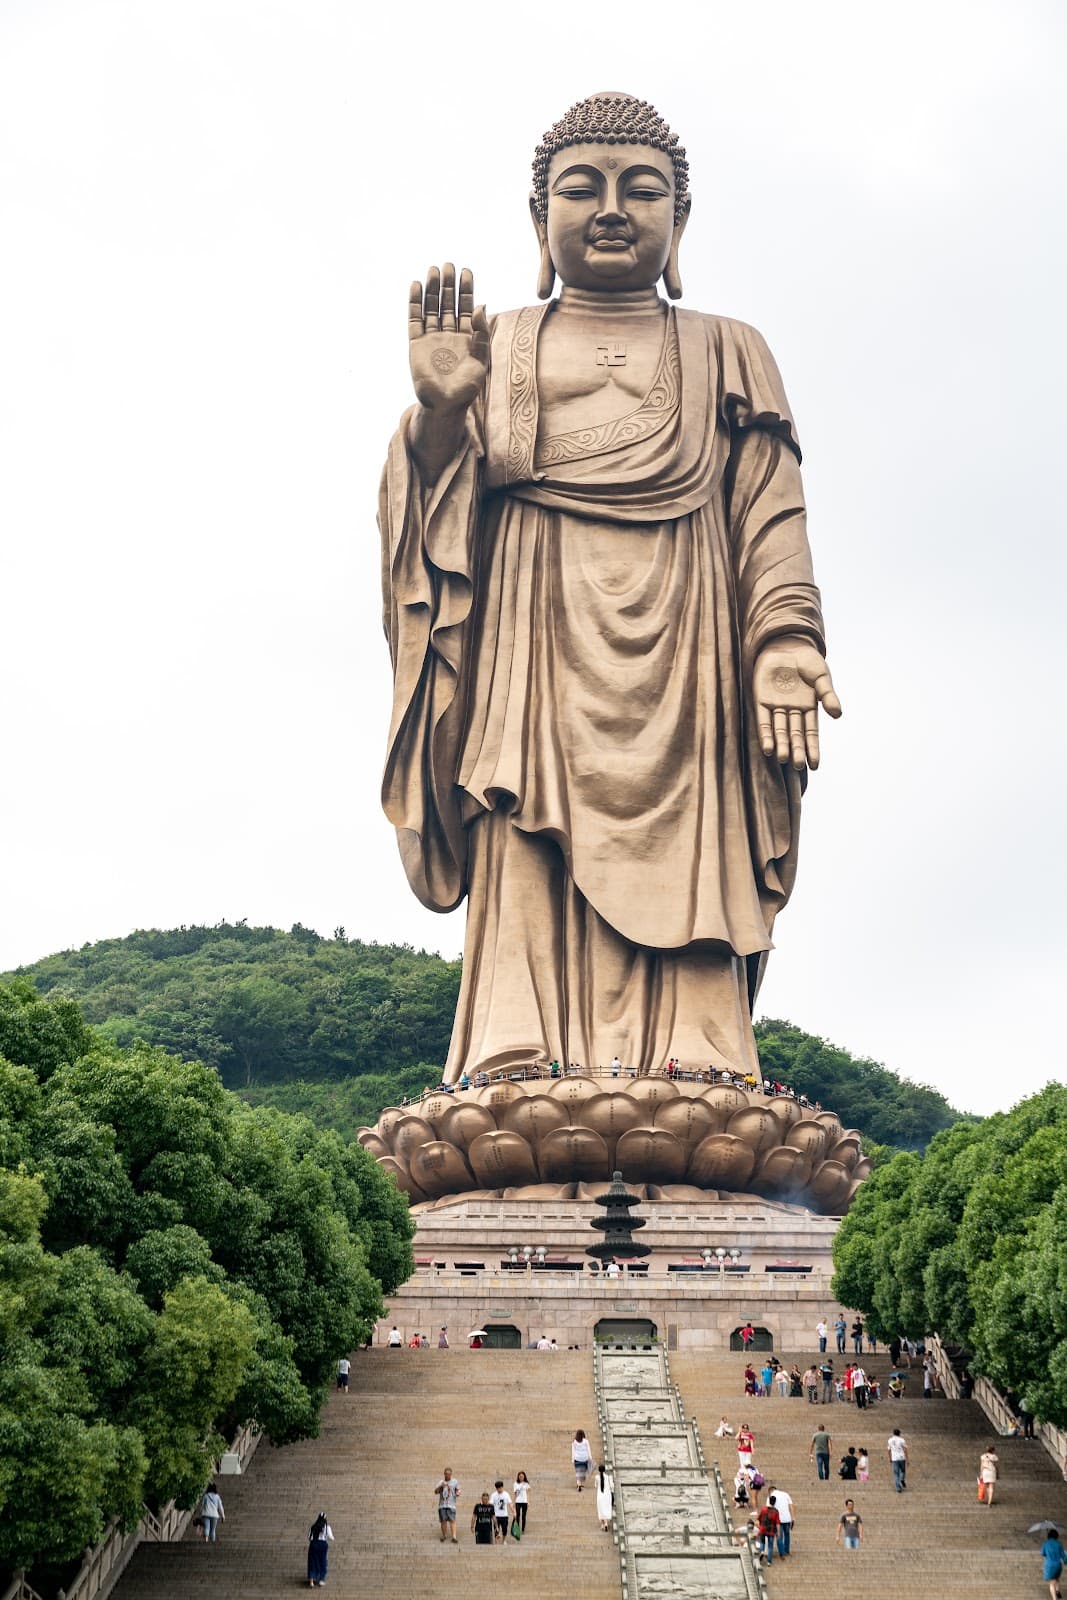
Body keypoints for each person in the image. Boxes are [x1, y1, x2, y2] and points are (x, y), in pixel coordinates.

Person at [306, 1512, 334, 1587]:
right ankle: (321, 1580)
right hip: (322, 1545)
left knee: (312, 1561)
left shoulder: (313, 1526)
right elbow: (331, 1538)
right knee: (322, 1561)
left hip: (313, 1544)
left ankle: (311, 1581)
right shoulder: (327, 1527)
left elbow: (309, 1537)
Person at [435, 1468, 460, 1543]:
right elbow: (435, 1491)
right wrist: (441, 1486)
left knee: (452, 1520)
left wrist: (457, 1493)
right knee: (443, 1520)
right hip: (442, 1505)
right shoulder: (441, 1482)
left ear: (451, 1474)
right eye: (446, 1474)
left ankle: (454, 1537)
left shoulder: (455, 1481)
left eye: (449, 1474)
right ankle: (444, 1535)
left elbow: (458, 1490)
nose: (448, 1475)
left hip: (451, 1504)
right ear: (444, 1474)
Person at [768, 1486, 794, 1557]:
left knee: (779, 1536)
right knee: (787, 1535)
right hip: (787, 1518)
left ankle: (782, 1552)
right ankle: (787, 1551)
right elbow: (791, 1506)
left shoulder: (771, 1496)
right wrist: (793, 1518)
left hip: (777, 1520)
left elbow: (768, 1509)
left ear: (770, 1492)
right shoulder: (785, 1494)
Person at [1041, 1528, 1066, 1600]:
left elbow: (1042, 1553)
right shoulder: (1059, 1544)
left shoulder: (1046, 1543)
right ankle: (1057, 1591)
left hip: (1049, 1565)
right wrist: (1065, 1561)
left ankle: (1054, 1598)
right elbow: (1063, 1555)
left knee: (1051, 1583)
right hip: (1058, 1565)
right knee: (1056, 1578)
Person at [756, 1497, 780, 1564]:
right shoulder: (776, 1511)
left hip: (763, 1529)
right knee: (770, 1546)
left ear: (769, 1501)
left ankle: (762, 1551)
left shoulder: (763, 1509)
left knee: (762, 1542)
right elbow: (777, 1522)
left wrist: (759, 1526)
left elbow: (759, 1518)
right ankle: (769, 1561)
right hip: (771, 1530)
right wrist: (778, 1532)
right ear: (775, 1502)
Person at [595, 1462, 615, 1530]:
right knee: (606, 1508)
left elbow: (596, 1486)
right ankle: (606, 1523)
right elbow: (612, 1486)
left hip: (600, 1495)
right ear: (604, 1470)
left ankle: (603, 1524)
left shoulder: (597, 1477)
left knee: (601, 1509)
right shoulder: (608, 1477)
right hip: (607, 1495)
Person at [888, 1427, 908, 1492]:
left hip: (894, 1458)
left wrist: (890, 1458)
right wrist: (907, 1459)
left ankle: (898, 1488)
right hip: (902, 1457)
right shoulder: (902, 1440)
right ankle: (902, 1479)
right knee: (903, 1470)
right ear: (899, 1433)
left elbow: (889, 1450)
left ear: (893, 1433)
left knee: (896, 1473)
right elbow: (905, 1449)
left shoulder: (890, 1440)